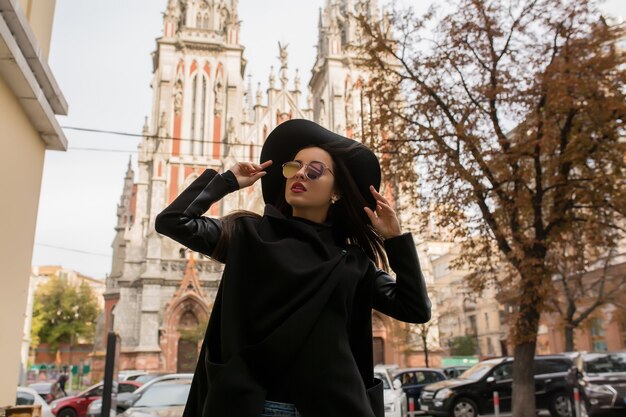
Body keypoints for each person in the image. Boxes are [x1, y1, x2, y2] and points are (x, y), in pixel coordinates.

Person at [155, 119, 431, 417]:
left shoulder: (351, 261)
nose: (300, 172)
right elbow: (172, 221)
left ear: (335, 192)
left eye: (314, 170)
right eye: (293, 166)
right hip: (252, 407)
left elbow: (415, 308)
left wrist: (395, 240)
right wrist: (228, 181)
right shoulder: (247, 235)